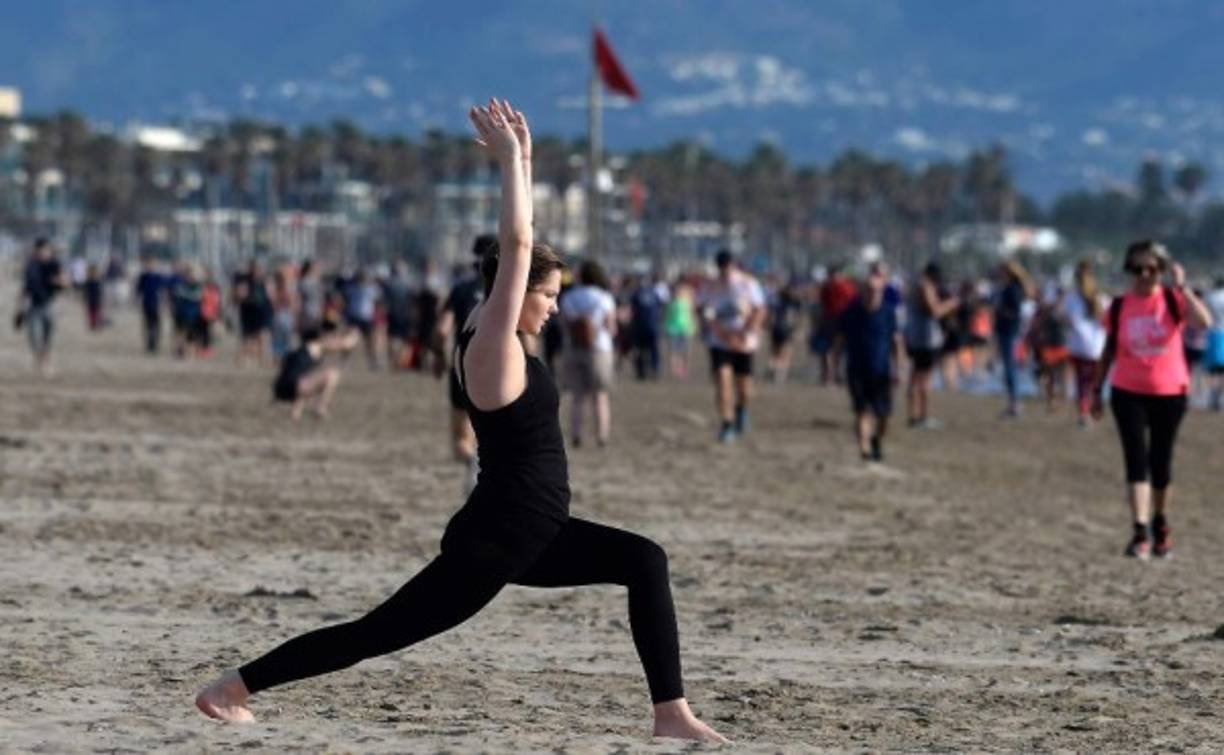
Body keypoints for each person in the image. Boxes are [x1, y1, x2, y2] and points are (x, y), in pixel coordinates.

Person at [195, 99, 726, 743]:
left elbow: (520, 251)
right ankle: (231, 689)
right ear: (515, 290)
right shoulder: (492, 343)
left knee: (645, 559)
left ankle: (670, 711)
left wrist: (525, 161)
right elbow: (518, 243)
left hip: (537, 528)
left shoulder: (493, 326)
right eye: (547, 295)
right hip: (497, 539)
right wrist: (509, 164)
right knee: (377, 633)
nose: (555, 308)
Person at [1091, 240, 1213, 560]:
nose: (1144, 275)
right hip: (1127, 391)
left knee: (1161, 464)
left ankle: (1160, 523)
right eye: (1137, 269)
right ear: (1129, 271)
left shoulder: (1173, 300)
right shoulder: (1119, 306)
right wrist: (1095, 390)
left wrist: (1182, 287)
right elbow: (1108, 350)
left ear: (1162, 270)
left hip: (1170, 393)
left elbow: (1205, 322)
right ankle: (1139, 531)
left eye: (1152, 269)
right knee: (1136, 461)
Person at [434, 237, 491, 491]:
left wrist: (438, 357)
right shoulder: (505, 292)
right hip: (498, 365)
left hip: (464, 363)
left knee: (460, 435)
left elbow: (442, 331)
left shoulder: (460, 290)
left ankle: (470, 459)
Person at [836, 262, 903, 462]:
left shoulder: (888, 313)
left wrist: (899, 367)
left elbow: (896, 341)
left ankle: (876, 440)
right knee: (862, 411)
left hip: (882, 370)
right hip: (856, 369)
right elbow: (839, 342)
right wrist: (834, 367)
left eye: (876, 291)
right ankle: (864, 448)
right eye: (868, 290)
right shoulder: (851, 312)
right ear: (862, 291)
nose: (872, 294)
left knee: (884, 416)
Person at [699, 250, 766, 443]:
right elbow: (703, 310)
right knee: (723, 380)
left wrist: (746, 331)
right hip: (719, 342)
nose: (724, 272)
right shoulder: (711, 286)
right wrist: (721, 333)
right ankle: (726, 423)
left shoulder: (747, 283)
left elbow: (759, 309)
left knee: (744, 388)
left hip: (744, 343)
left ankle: (742, 409)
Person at [560, 259, 618, 448]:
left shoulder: (569, 297)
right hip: (600, 349)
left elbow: (565, 324)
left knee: (577, 396)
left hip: (574, 348)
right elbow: (610, 327)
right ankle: (601, 436)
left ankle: (576, 435)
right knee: (600, 396)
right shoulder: (604, 297)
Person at [904, 262, 959, 429]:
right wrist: (951, 303)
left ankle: (913, 415)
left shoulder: (914, 286)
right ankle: (923, 416)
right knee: (924, 379)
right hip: (926, 339)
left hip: (915, 337)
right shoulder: (925, 287)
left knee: (915, 377)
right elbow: (934, 310)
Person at [272, 327, 359, 420]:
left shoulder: (300, 351)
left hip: (280, 388)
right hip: (294, 386)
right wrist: (354, 335)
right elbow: (344, 345)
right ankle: (320, 408)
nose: (327, 339)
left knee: (305, 376)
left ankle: (295, 413)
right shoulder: (314, 346)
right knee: (332, 375)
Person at [1063, 261, 1108, 426]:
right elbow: (1108, 322)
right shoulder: (1102, 298)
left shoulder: (1071, 298)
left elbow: (1066, 319)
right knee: (1094, 383)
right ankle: (1090, 410)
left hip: (1078, 347)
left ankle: (1084, 412)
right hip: (1097, 348)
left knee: (1081, 382)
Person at [993, 260, 1036, 418]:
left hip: (1010, 331)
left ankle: (1015, 403)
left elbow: (1015, 312)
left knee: (1011, 368)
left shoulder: (1012, 289)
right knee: (1010, 367)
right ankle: (1013, 402)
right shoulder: (1011, 288)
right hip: (1008, 331)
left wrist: (1000, 311)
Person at [18, 238, 66, 375]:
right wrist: (19, 307)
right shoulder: (31, 266)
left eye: (45, 250)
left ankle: (46, 363)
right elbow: (25, 287)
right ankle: (40, 361)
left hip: (50, 304)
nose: (42, 253)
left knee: (48, 338)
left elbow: (65, 281)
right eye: (40, 251)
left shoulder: (54, 264)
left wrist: (58, 281)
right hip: (34, 306)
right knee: (34, 337)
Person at [815, 263, 857, 384]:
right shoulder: (843, 287)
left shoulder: (839, 287)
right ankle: (832, 374)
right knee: (833, 349)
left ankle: (831, 374)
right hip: (834, 321)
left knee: (832, 349)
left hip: (838, 321)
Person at [235, 260, 273, 367]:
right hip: (249, 311)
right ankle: (242, 359)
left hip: (263, 311)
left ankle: (263, 359)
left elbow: (270, 295)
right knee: (247, 337)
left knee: (263, 335)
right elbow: (240, 295)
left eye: (259, 268)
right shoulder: (244, 280)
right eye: (256, 268)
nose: (258, 271)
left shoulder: (265, 280)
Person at [766, 278, 804, 384]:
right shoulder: (795, 303)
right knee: (786, 354)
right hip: (787, 329)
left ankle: (773, 367)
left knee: (775, 352)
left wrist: (767, 326)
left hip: (776, 329)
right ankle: (780, 374)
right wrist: (798, 330)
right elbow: (797, 318)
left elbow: (770, 316)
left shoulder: (776, 303)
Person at [663, 275, 697, 379]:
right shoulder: (671, 295)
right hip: (673, 326)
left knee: (686, 350)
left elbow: (693, 312)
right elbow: (667, 312)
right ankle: (675, 370)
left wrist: (694, 324)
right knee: (674, 350)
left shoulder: (689, 295)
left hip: (686, 326)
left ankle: (685, 370)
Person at [134, 257, 166, 354]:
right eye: (148, 264)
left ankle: (155, 343)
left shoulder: (158, 277)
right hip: (146, 304)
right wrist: (136, 301)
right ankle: (149, 344)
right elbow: (138, 290)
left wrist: (164, 303)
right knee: (148, 325)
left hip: (156, 304)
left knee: (156, 325)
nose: (150, 266)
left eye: (152, 264)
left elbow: (163, 291)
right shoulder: (143, 277)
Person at [1204, 276, 1224, 411]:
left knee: (1212, 371)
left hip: (1211, 334)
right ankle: (1219, 397)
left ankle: (1213, 396)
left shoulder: (1209, 297)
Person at [83, 263, 105, 331]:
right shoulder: (88, 281)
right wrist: (85, 298)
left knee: (97, 312)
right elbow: (86, 291)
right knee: (91, 312)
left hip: (97, 298)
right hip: (91, 299)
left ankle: (98, 323)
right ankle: (93, 324)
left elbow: (101, 291)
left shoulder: (98, 280)